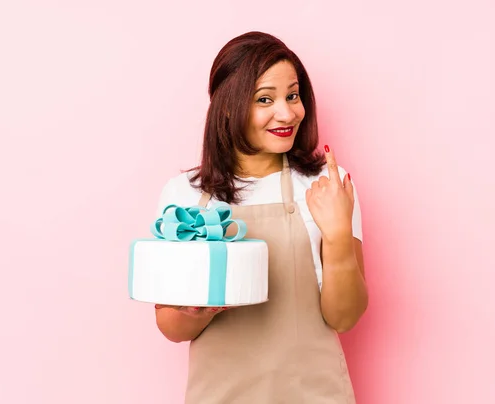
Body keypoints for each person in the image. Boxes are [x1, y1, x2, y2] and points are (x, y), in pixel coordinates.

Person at [153, 31, 368, 403]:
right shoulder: (185, 196)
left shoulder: (325, 186)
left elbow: (344, 318)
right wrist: (201, 309)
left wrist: (336, 235)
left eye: (293, 95)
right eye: (264, 99)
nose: (287, 113)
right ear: (226, 107)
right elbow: (171, 326)